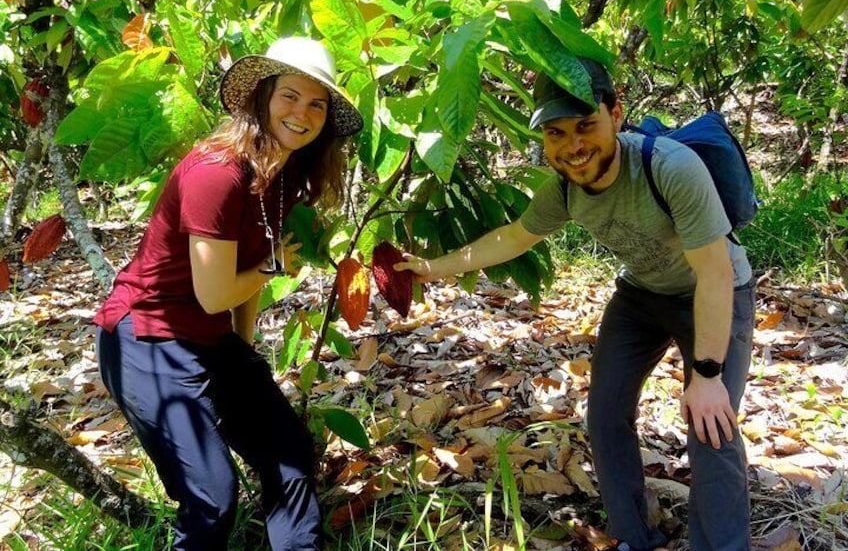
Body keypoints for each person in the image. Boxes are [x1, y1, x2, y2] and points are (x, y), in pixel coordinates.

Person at [396, 59, 755, 551]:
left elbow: (714, 274)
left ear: (616, 114)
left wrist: (708, 375)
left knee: (711, 426)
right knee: (605, 415)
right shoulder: (565, 188)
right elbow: (515, 237)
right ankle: (631, 537)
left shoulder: (668, 167)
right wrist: (431, 268)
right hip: (641, 296)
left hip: (715, 293)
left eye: (586, 125)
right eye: (556, 133)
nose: (574, 146)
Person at [94, 36, 363, 551]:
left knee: (289, 452)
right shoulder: (216, 173)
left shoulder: (282, 174)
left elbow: (242, 278)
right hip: (147, 337)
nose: (302, 113)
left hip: (209, 338)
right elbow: (220, 291)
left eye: (317, 103)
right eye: (290, 95)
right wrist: (273, 267)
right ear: (261, 96)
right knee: (213, 496)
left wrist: (244, 351)